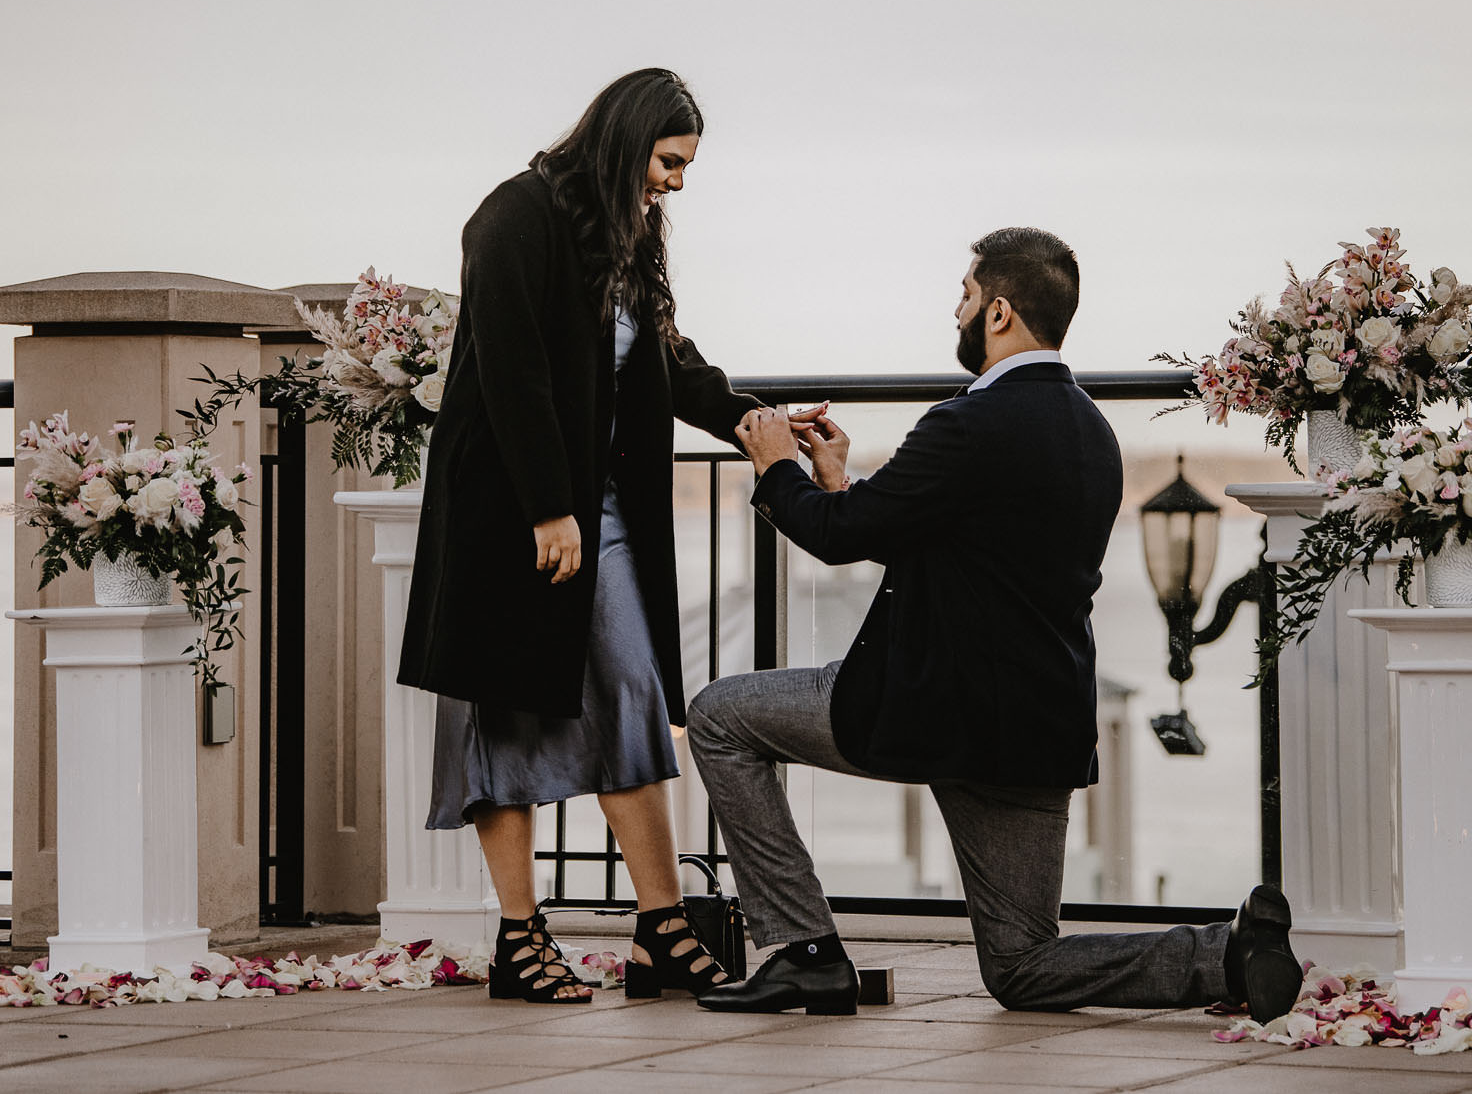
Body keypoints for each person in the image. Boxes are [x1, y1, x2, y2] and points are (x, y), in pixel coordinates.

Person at [688, 226, 1304, 1019]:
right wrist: (839, 479)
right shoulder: (1093, 431)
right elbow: (949, 545)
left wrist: (775, 464)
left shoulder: (966, 423)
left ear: (1001, 310)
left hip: (934, 706)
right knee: (1021, 964)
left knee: (719, 717)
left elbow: (839, 538)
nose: (958, 309)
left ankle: (805, 949)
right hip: (1037, 724)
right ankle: (1225, 954)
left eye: (967, 295)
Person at [398, 68, 815, 1003]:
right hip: (508, 512)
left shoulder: (629, 235)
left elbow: (667, 357)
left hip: (605, 511)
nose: (676, 181)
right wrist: (549, 505)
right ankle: (519, 936)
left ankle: (660, 927)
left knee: (633, 688)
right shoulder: (514, 215)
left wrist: (758, 423)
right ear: (630, 142)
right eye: (670, 161)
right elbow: (512, 370)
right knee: (500, 715)